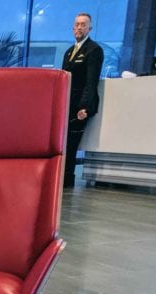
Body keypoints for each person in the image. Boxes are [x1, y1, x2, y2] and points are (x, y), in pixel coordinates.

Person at [61, 13, 103, 187]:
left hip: (80, 106)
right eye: (77, 24)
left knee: (72, 143)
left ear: (89, 28)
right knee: (63, 142)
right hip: (67, 103)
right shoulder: (69, 51)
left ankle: (67, 179)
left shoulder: (94, 50)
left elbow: (91, 81)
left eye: (83, 25)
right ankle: (61, 177)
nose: (79, 27)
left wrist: (84, 106)